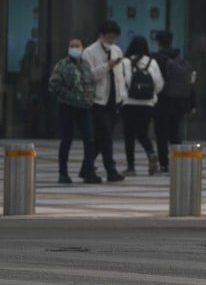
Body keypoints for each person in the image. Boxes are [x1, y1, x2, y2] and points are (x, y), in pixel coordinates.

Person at [48, 36, 101, 184]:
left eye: (77, 46)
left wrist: (90, 99)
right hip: (67, 106)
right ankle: (63, 173)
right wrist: (69, 96)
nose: (74, 48)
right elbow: (53, 85)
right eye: (72, 45)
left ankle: (89, 171)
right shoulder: (62, 65)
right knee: (67, 139)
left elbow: (90, 84)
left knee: (89, 138)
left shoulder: (85, 65)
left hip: (85, 107)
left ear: (82, 48)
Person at [81, 20, 126, 182]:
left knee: (102, 138)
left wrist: (122, 96)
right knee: (105, 136)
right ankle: (110, 169)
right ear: (101, 34)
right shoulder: (89, 52)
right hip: (98, 101)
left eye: (115, 35)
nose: (112, 38)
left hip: (114, 100)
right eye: (109, 35)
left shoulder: (117, 50)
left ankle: (86, 168)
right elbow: (88, 76)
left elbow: (120, 76)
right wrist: (107, 66)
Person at [152, 30, 195, 175]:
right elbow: (190, 81)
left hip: (162, 101)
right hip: (179, 101)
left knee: (162, 135)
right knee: (175, 135)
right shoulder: (181, 56)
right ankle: (178, 165)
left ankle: (164, 165)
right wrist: (192, 103)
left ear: (157, 41)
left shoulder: (157, 58)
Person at [121, 35, 164, 176]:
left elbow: (124, 81)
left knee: (129, 135)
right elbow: (159, 84)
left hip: (129, 102)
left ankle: (131, 167)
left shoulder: (126, 61)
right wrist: (150, 94)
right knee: (142, 133)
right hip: (147, 104)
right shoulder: (152, 62)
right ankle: (151, 153)